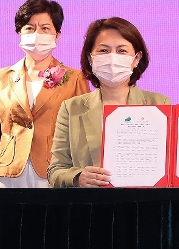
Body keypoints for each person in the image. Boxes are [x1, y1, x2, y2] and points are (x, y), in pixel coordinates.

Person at [0, 0, 87, 188]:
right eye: (30, 28)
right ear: (19, 33)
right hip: (7, 173)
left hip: (54, 171)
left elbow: (82, 136)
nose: (37, 34)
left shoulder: (74, 79)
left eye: (45, 28)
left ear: (57, 35)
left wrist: (78, 178)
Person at [48, 17, 169, 188]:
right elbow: (55, 171)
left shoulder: (159, 104)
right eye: (104, 50)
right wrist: (78, 178)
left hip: (144, 201)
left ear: (136, 58)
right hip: (92, 202)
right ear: (90, 58)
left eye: (122, 51)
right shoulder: (71, 108)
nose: (112, 58)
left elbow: (170, 164)